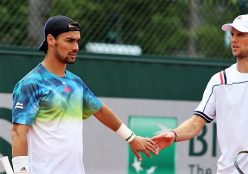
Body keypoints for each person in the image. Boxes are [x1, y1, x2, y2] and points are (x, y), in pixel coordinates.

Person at [151, 14, 248, 173]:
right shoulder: (219, 81)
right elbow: (195, 123)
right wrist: (173, 135)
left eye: (240, 34)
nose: (234, 39)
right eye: (232, 34)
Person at [11, 15, 157, 174]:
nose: (76, 47)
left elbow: (99, 110)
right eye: (69, 40)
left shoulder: (76, 83)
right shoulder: (31, 83)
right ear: (51, 40)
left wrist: (131, 138)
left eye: (77, 41)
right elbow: (18, 132)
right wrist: (21, 171)